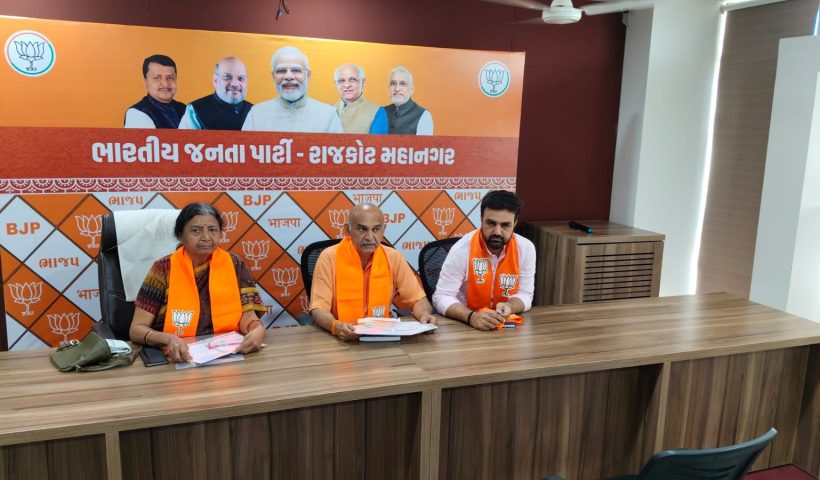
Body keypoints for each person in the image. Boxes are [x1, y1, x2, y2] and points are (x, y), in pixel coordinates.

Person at [129, 203, 267, 362]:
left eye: (213, 230)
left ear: (221, 233)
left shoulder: (235, 264)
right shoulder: (163, 268)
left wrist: (257, 329)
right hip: (177, 356)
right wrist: (168, 339)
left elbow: (247, 316)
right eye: (196, 230)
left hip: (228, 353)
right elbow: (136, 330)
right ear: (180, 235)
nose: (206, 237)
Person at [309, 203, 436, 341]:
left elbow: (418, 299)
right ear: (347, 230)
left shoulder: (393, 257)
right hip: (340, 338)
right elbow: (318, 309)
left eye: (376, 229)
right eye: (362, 229)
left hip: (383, 336)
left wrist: (424, 314)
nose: (370, 237)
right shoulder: (329, 258)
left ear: (383, 230)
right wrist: (335, 326)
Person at [432, 191, 535, 331]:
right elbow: (441, 296)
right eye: (491, 223)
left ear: (515, 223)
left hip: (504, 326)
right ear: (481, 219)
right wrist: (471, 317)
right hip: (465, 325)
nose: (497, 232)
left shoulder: (526, 248)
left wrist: (510, 306)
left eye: (505, 225)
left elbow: (525, 294)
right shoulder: (462, 249)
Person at [241, 46, 342, 133]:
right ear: (273, 76)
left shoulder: (329, 115)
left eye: (296, 70)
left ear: (308, 75)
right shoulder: (256, 114)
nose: (288, 76)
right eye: (281, 71)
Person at [178, 57, 253, 130]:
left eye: (241, 78)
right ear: (215, 80)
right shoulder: (195, 111)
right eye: (227, 77)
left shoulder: (254, 111)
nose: (235, 84)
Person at [124, 54, 186, 129]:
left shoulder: (186, 110)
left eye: (170, 78)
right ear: (146, 82)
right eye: (157, 78)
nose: (165, 84)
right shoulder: (137, 113)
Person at [333, 63, 387, 134]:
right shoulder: (328, 111)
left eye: (352, 80)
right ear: (336, 84)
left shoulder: (377, 111)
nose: (347, 85)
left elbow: (377, 141)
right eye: (341, 81)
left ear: (363, 83)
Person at [384, 66, 433, 135]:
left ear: (411, 89)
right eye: (393, 83)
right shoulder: (382, 112)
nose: (397, 89)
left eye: (402, 84)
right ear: (388, 87)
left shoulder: (424, 116)